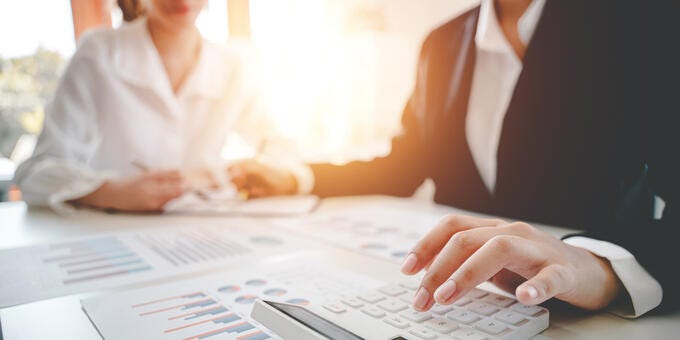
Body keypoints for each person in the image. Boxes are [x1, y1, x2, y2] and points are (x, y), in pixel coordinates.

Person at [230, 0, 680, 317]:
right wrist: (297, 177)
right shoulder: (441, 43)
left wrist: (603, 266)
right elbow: (406, 164)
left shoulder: (646, 23)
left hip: (583, 308)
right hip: (464, 303)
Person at [15, 0, 260, 212]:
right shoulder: (99, 52)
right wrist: (108, 191)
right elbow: (34, 173)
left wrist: (287, 177)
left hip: (210, 232)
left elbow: (283, 144)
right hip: (115, 234)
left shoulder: (233, 64)